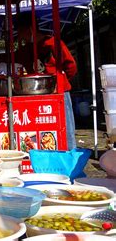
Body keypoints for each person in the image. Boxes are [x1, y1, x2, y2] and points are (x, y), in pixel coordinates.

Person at [15, 14, 77, 149]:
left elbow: (71, 66)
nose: (21, 37)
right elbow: (11, 59)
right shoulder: (26, 49)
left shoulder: (54, 43)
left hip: (59, 92)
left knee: (66, 130)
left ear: (30, 29)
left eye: (21, 32)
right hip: (38, 95)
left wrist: (62, 82)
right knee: (44, 130)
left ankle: (71, 160)